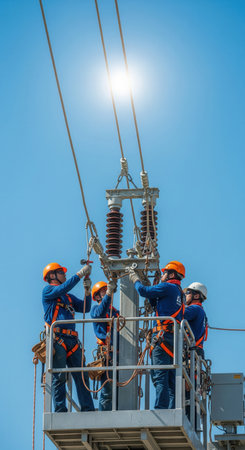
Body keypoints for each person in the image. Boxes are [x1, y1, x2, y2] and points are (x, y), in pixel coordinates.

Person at [128, 260, 185, 409]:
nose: (163, 274)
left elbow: (143, 292)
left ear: (172, 274)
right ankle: (171, 410)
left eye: (165, 272)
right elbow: (156, 303)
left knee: (160, 377)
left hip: (162, 337)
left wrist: (135, 280)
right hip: (172, 339)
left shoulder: (167, 287)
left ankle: (161, 410)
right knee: (171, 380)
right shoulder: (179, 293)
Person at [42, 262, 94, 412]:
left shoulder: (68, 298)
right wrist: (80, 274)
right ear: (52, 276)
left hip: (72, 340)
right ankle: (60, 411)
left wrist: (87, 291)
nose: (64, 275)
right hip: (58, 339)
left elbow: (86, 308)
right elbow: (63, 288)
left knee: (82, 376)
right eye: (61, 272)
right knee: (59, 376)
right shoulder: (48, 291)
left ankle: (88, 409)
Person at [90, 280, 118, 411]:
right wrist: (108, 294)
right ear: (97, 296)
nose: (108, 292)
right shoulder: (96, 309)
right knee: (107, 391)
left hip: (118, 354)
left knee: (118, 390)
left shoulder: (116, 313)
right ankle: (103, 416)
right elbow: (101, 312)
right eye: (104, 290)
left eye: (108, 290)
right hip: (106, 354)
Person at [184, 282, 208, 359]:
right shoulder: (201, 311)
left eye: (188, 293)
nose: (185, 295)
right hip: (196, 352)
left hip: (191, 352)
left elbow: (178, 315)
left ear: (196, 296)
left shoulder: (194, 309)